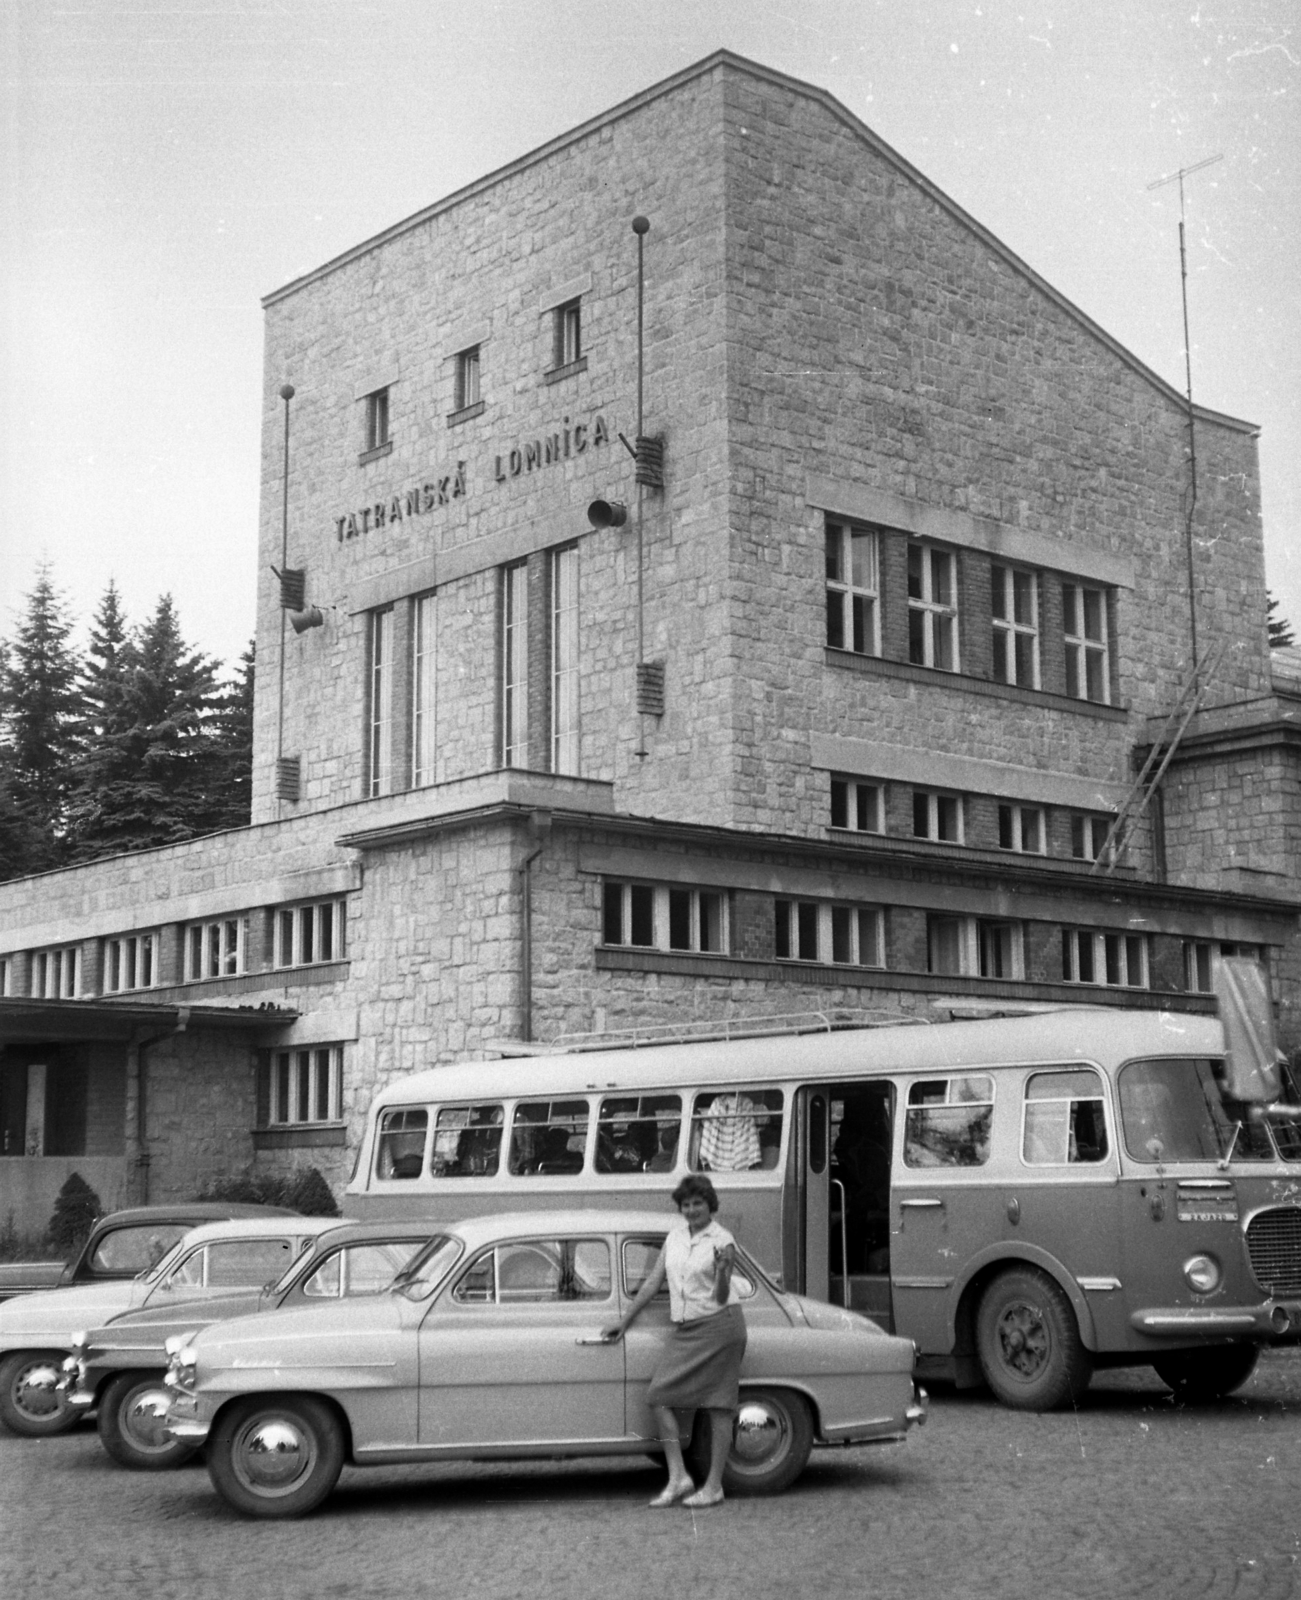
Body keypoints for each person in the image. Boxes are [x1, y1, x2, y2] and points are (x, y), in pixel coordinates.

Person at [602, 1174, 747, 1508]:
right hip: (688, 1329)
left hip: (720, 1326)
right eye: (686, 1204)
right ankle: (679, 1477)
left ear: (710, 1205)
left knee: (718, 1406)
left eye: (698, 1203)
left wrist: (724, 1272)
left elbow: (723, 1295)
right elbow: (654, 1282)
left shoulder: (723, 1240)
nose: (692, 1209)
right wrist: (625, 1321)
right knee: (658, 1397)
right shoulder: (675, 1237)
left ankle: (713, 1486)